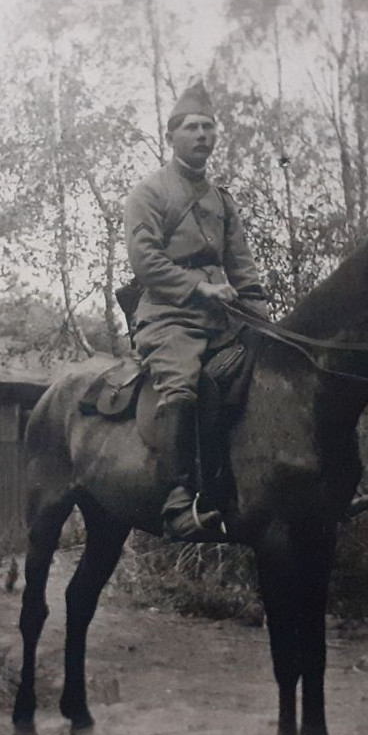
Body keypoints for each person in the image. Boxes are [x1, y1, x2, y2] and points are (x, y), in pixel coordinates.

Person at [123, 81, 269, 541]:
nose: (203, 134)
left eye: (209, 127)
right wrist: (198, 288)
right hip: (168, 316)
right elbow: (145, 262)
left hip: (223, 318)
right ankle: (178, 498)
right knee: (183, 387)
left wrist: (264, 319)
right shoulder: (148, 193)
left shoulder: (222, 200)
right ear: (172, 135)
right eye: (192, 127)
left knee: (280, 371)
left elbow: (242, 269)